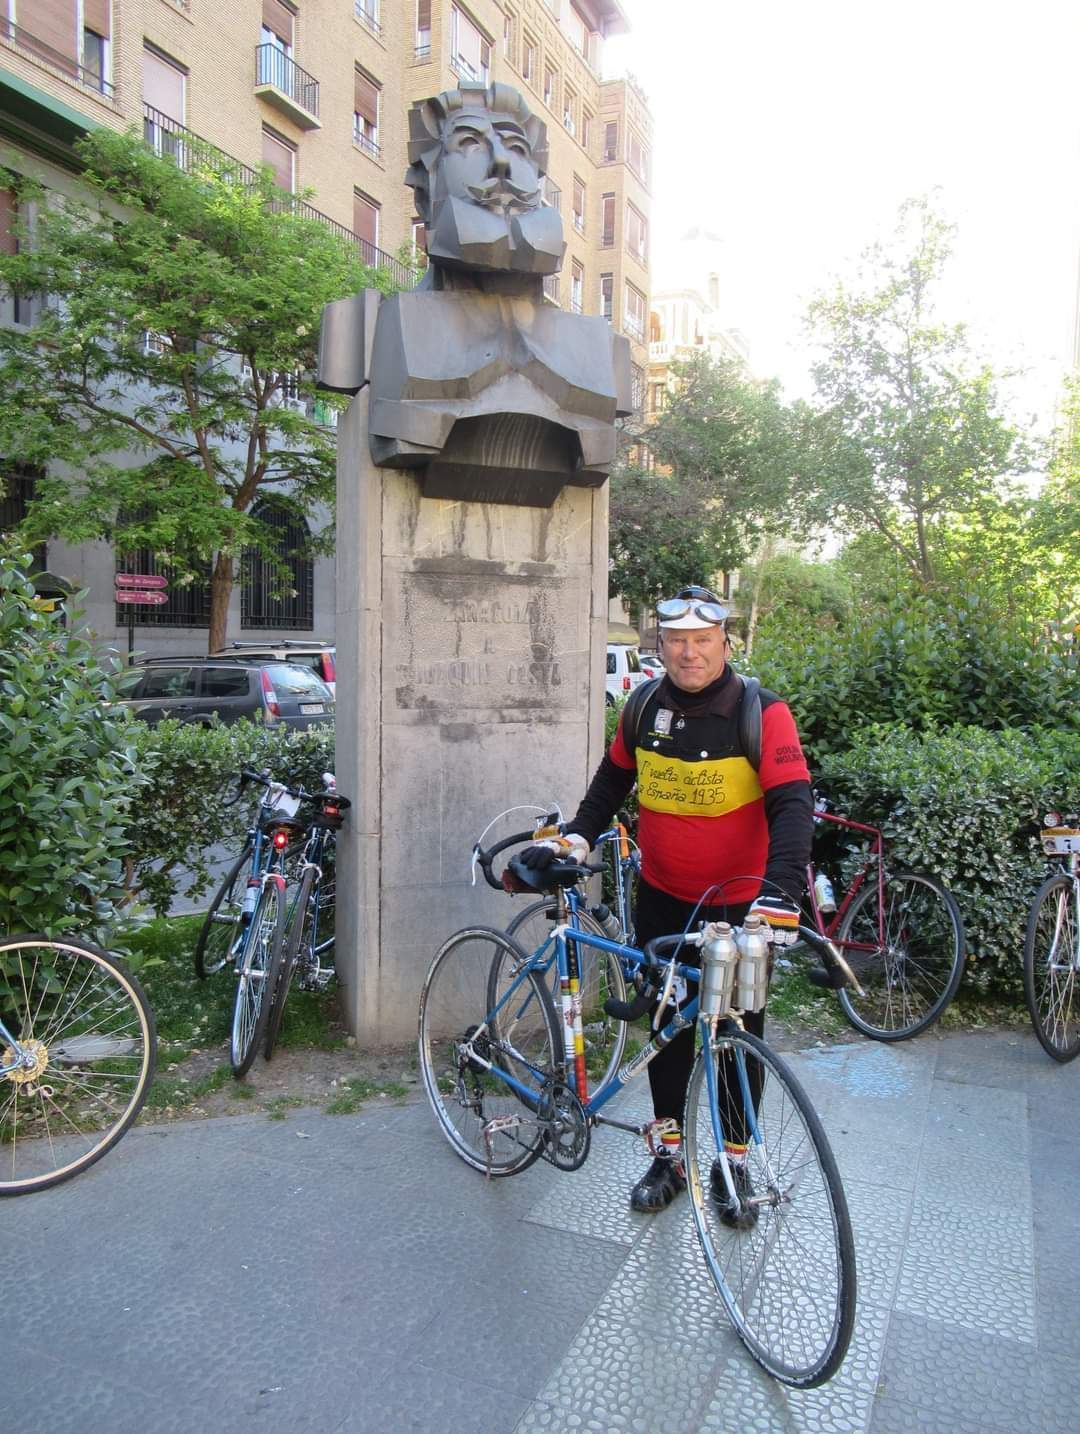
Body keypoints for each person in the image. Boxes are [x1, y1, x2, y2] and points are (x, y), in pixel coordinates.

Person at [520, 585, 813, 1214]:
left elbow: (793, 805)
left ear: (724, 643)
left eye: (701, 641)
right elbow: (613, 779)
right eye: (676, 641)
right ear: (662, 645)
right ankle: (669, 1156)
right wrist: (578, 834)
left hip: (738, 912)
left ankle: (733, 1166)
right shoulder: (643, 704)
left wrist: (782, 892)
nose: (689, 653)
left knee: (738, 1035)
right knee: (665, 1032)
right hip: (662, 900)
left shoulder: (763, 712)